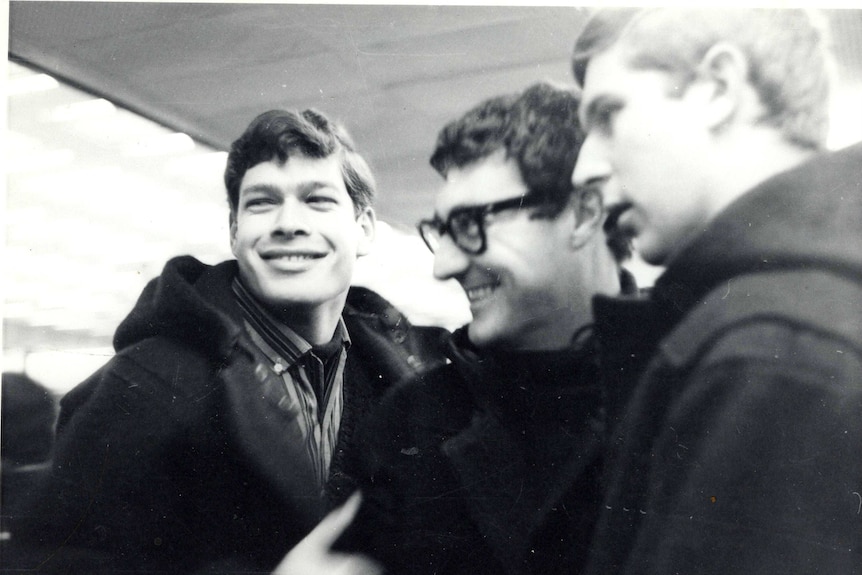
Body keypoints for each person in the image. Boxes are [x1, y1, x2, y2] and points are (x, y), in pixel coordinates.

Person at [8, 108, 448, 573]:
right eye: (261, 202)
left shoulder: (400, 378)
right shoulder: (146, 385)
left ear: (364, 229)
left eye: (317, 200)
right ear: (235, 231)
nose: (288, 223)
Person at [570, 8, 862, 574]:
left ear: (717, 87)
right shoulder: (813, 312)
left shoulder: (768, 356)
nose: (585, 167)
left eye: (608, 115)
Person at [301, 81, 636, 575]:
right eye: (443, 231)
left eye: (473, 224)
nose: (445, 266)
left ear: (584, 213)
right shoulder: (409, 422)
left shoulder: (700, 393)